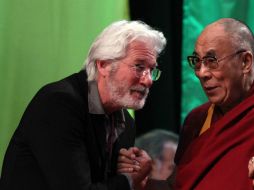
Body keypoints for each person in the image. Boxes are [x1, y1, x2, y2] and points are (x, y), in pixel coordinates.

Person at [0, 20, 166, 190]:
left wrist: (136, 173)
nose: (148, 80)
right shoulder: (60, 105)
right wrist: (130, 180)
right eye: (139, 67)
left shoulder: (126, 124)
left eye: (152, 70)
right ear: (103, 64)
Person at [174, 18, 254, 189]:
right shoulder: (196, 120)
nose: (202, 73)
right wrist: (143, 180)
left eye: (212, 61)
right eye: (197, 61)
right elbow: (178, 184)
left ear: (245, 62)